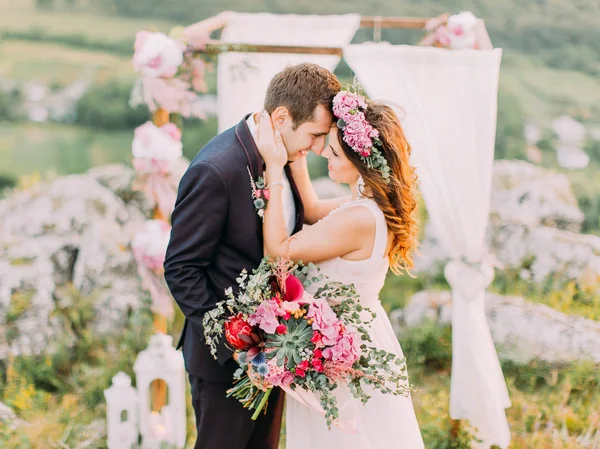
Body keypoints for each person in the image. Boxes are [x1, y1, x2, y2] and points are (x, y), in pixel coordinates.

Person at [163, 62, 342, 449]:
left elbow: (301, 217)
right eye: (314, 135)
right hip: (225, 363)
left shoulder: (285, 156)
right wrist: (233, 337)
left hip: (276, 353)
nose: (315, 147)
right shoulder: (217, 169)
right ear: (281, 117)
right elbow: (181, 268)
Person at [255, 86, 426, 448]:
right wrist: (294, 153)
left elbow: (279, 251)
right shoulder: (368, 203)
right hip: (354, 335)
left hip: (341, 349)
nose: (323, 155)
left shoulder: (361, 218)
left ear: (359, 160)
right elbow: (315, 209)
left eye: (332, 151)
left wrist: (273, 167)